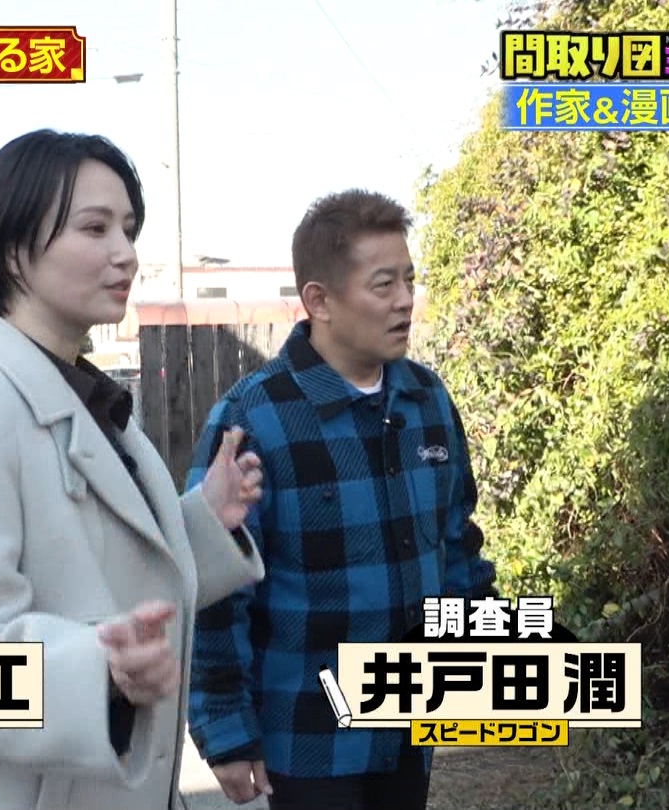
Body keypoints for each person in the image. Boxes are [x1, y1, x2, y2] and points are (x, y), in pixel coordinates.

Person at [0, 129, 267, 810]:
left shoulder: (82, 395)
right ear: (12, 250)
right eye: (95, 228)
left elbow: (105, 580)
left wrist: (202, 524)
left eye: (129, 229)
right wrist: (97, 675)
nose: (126, 253)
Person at [185, 189, 498, 810]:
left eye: (409, 280)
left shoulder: (427, 401)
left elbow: (457, 547)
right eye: (383, 285)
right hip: (308, 738)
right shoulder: (254, 419)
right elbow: (213, 593)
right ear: (319, 300)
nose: (405, 300)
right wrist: (225, 730)